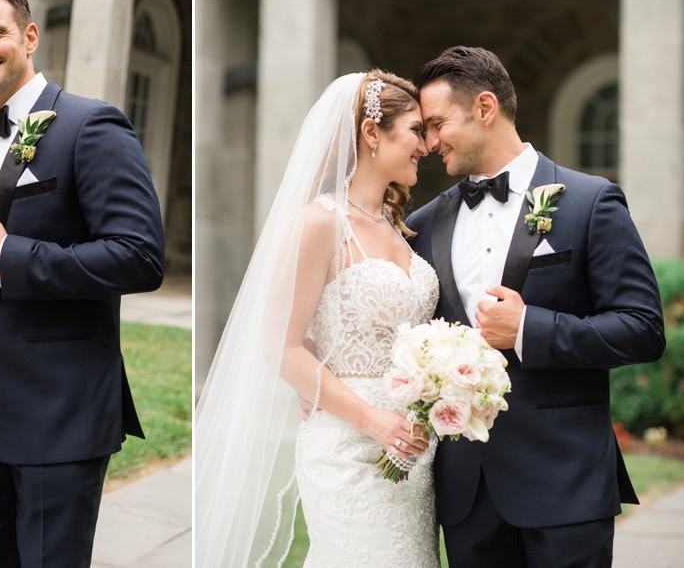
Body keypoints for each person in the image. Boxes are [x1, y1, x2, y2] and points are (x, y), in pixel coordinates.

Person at [406, 45, 666, 568]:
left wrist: (529, 327)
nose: (429, 142)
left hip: (563, 482)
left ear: (484, 107)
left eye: (437, 124)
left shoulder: (592, 201)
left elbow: (642, 328)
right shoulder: (426, 222)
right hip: (466, 491)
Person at [0, 0, 165, 567]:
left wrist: (12, 259)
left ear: (29, 35)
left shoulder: (92, 125)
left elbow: (140, 255)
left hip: (57, 411)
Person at [196, 71, 441, 567]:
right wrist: (372, 418)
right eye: (417, 130)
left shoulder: (398, 227)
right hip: (348, 446)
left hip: (414, 448)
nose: (428, 144)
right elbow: (279, 345)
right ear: (373, 133)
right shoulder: (319, 223)